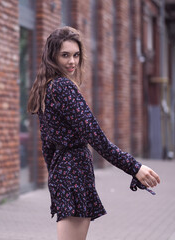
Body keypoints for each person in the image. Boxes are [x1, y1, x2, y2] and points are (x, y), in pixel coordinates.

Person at [27, 26, 160, 240]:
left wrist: (55, 174)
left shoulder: (47, 87)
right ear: (52, 56)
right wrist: (134, 167)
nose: (72, 61)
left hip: (66, 172)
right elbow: (96, 137)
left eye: (76, 55)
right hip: (73, 174)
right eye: (65, 55)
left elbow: (47, 144)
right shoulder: (63, 87)